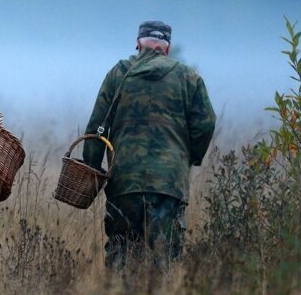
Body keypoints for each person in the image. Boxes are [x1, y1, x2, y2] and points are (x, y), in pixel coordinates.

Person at [83, 21, 216, 269]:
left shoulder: (118, 73)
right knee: (163, 261)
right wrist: (188, 158)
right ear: (167, 48)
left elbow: (96, 128)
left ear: (137, 44)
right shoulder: (188, 77)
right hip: (168, 185)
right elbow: (206, 123)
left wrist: (90, 170)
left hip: (124, 182)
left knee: (121, 257)